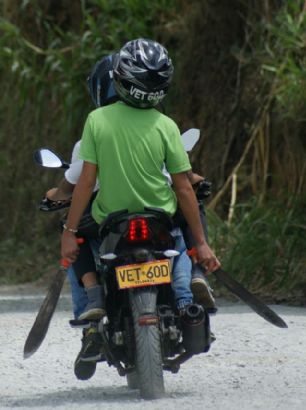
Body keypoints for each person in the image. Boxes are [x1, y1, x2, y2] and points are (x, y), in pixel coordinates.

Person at [59, 39, 221, 378]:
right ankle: (184, 297)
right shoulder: (166, 125)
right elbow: (183, 187)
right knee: (180, 242)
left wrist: (69, 232)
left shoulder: (97, 121)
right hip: (160, 216)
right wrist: (203, 244)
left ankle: (93, 309)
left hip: (110, 219)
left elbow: (85, 183)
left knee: (81, 244)